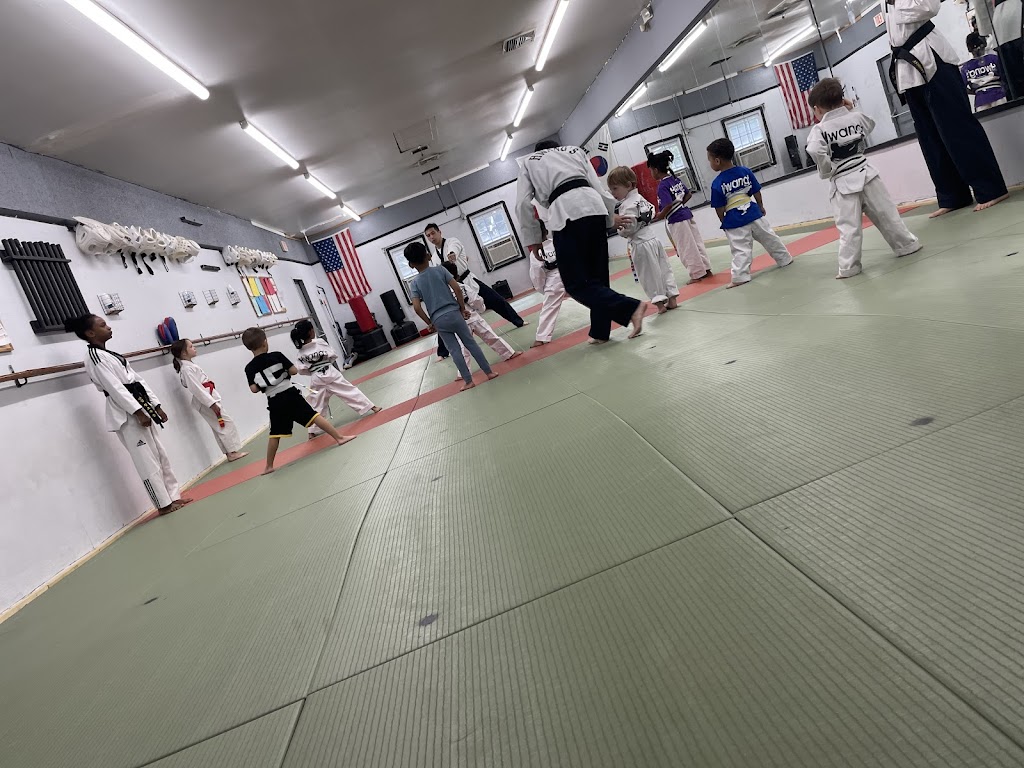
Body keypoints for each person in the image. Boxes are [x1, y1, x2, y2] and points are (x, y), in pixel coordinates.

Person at [515, 139, 647, 344]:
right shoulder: (574, 151)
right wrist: (608, 218)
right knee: (598, 276)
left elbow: (523, 204)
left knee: (574, 283)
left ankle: (630, 307)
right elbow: (598, 187)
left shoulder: (530, 161)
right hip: (594, 207)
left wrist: (534, 239)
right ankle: (600, 332)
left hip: (566, 213)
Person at [884, 0, 1008, 217]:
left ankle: (991, 188)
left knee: (958, 128)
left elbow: (930, 7)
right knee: (929, 138)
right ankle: (953, 195)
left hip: (933, 60)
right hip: (906, 68)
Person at [64, 314, 192, 515]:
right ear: (90, 333)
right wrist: (138, 412)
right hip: (125, 414)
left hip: (141, 404)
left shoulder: (110, 354)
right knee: (146, 461)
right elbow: (115, 388)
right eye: (102, 325)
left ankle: (173, 496)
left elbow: (137, 381)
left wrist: (156, 405)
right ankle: (163, 504)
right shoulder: (95, 358)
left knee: (160, 454)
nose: (108, 327)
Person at [805, 78, 922, 279]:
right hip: (867, 173)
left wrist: (826, 170)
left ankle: (849, 267)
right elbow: (869, 125)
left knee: (849, 228)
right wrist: (850, 110)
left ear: (817, 109)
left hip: (843, 181)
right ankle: (907, 245)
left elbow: (814, 150)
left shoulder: (820, 130)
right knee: (887, 214)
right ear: (842, 99)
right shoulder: (856, 117)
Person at [241, 327, 355, 475]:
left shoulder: (249, 368)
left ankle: (268, 466)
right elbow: (294, 371)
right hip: (290, 394)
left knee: (275, 434)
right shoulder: (277, 356)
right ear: (265, 342)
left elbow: (254, 389)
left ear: (248, 348)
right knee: (314, 416)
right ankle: (339, 438)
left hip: (274, 402)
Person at [424, 223, 526, 362]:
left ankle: (519, 321)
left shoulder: (452, 241)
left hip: (468, 280)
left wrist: (452, 255)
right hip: (452, 288)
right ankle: (442, 352)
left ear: (439, 232)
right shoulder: (435, 258)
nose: (431, 237)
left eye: (433, 233)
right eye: (428, 236)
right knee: (445, 318)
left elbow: (453, 250)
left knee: (496, 300)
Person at [405, 240, 497, 391]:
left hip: (438, 320)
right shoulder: (441, 270)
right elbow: (457, 289)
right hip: (454, 313)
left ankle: (468, 381)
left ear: (411, 264)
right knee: (471, 344)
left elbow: (416, 308)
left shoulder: (414, 283)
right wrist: (462, 308)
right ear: (428, 256)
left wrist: (430, 322)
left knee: (454, 350)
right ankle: (489, 372)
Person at [707, 138, 794, 288]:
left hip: (735, 219)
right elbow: (756, 191)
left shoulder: (717, 183)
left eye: (709, 160)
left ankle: (740, 276)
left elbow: (719, 207)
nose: (709, 163)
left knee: (741, 249)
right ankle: (784, 258)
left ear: (717, 161)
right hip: (753, 211)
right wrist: (760, 206)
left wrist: (723, 220)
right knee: (769, 237)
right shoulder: (745, 171)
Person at [291, 320, 380, 439]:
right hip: (331, 373)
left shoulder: (301, 352)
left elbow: (301, 370)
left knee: (317, 404)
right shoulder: (320, 342)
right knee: (349, 391)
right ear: (311, 331)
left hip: (316, 377)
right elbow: (332, 355)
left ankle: (312, 431)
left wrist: (314, 371)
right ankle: (371, 407)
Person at [607, 166, 680, 313]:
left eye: (615, 188)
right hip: (653, 240)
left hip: (640, 244)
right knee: (664, 269)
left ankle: (660, 304)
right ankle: (672, 298)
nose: (613, 193)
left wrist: (620, 231)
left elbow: (628, 228)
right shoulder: (640, 198)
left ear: (629, 185)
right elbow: (652, 211)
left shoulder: (626, 206)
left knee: (649, 275)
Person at [170, 339, 248, 462]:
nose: (194, 348)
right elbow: (197, 389)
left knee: (219, 427)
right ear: (184, 353)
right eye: (191, 346)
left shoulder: (189, 366)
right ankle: (232, 453)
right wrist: (211, 404)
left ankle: (230, 453)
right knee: (225, 424)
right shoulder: (186, 369)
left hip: (208, 398)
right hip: (206, 401)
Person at [441, 262, 522, 372]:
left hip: (458, 322)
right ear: (457, 276)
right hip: (473, 317)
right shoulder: (463, 287)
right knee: (490, 336)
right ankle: (508, 353)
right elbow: (476, 300)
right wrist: (481, 308)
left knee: (462, 347)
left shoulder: (443, 293)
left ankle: (463, 372)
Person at [646, 151, 713, 284]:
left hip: (677, 219)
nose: (651, 173)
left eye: (651, 170)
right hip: (686, 214)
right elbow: (688, 195)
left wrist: (660, 215)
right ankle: (706, 269)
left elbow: (667, 205)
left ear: (656, 170)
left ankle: (696, 274)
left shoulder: (662, 186)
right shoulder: (675, 179)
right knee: (697, 243)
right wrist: (679, 204)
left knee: (686, 247)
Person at [973, 0, 1023, 101]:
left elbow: (980, 2)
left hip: (1005, 20)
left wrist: (985, 29)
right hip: (1013, 13)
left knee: (1016, 86)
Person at [529, 218, 568, 348]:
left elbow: (537, 274)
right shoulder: (557, 242)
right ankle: (607, 311)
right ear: (546, 231)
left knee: (549, 309)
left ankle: (541, 338)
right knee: (586, 296)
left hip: (553, 281)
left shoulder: (535, 253)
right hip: (569, 275)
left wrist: (542, 288)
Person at [960, 33, 1008, 112]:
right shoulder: (994, 58)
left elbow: (962, 87)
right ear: (983, 44)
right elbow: (1005, 76)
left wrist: (974, 92)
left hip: (980, 100)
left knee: (985, 119)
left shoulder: (966, 67)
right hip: (999, 94)